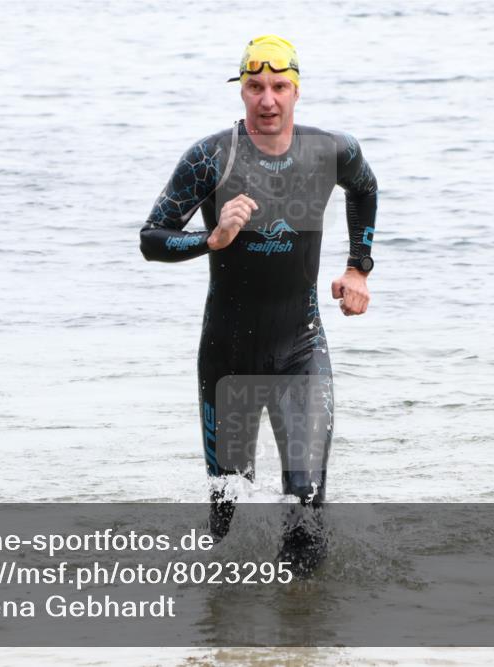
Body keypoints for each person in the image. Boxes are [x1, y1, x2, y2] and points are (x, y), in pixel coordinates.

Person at [139, 35, 377, 572]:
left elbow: (364, 189)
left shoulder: (332, 151)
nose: (267, 100)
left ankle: (301, 638)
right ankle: (225, 642)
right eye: (255, 87)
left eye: (278, 87)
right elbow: (152, 238)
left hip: (301, 349)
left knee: (307, 504)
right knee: (228, 517)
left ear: (296, 91)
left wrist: (358, 266)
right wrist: (211, 239)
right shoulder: (210, 158)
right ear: (241, 92)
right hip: (229, 359)